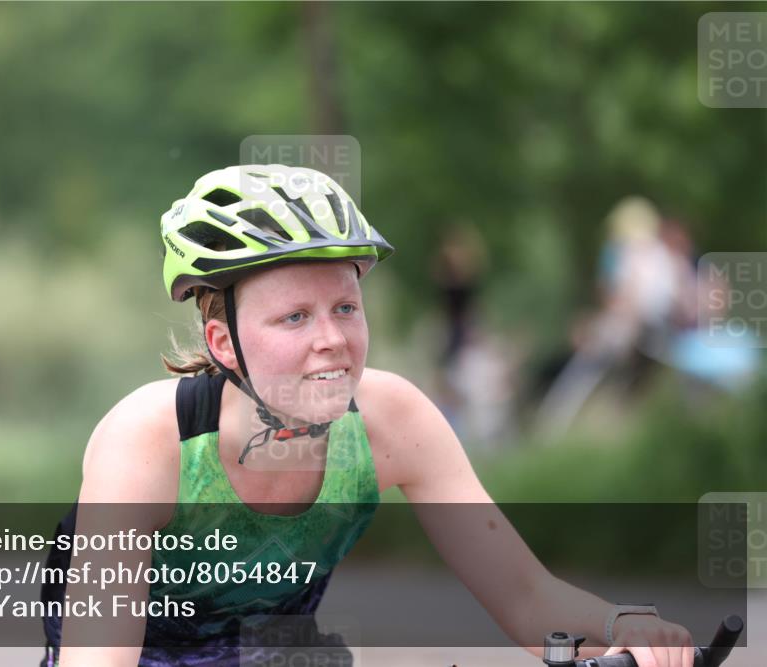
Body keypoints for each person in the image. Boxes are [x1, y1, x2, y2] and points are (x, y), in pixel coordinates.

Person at [56, 165, 695, 667]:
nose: (332, 338)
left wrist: (624, 626)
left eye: (345, 307)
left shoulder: (393, 422)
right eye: (294, 317)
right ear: (225, 344)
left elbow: (528, 600)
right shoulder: (147, 442)